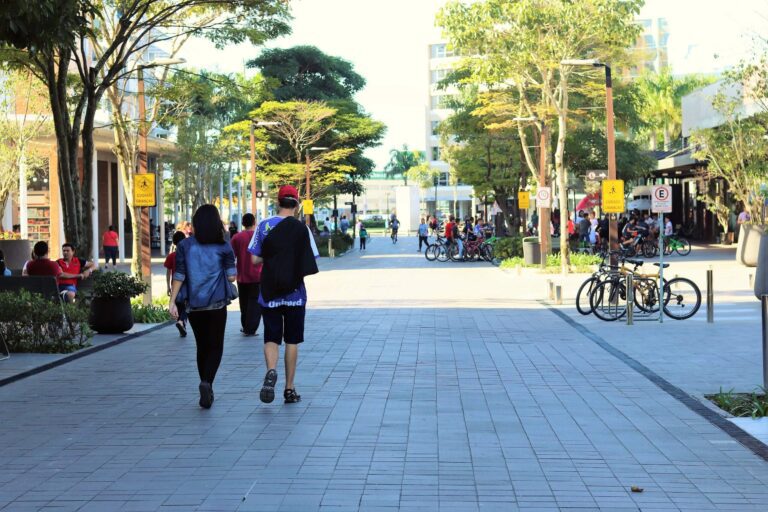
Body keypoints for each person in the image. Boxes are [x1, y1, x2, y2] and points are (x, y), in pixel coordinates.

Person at [248, 185, 319, 405]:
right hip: (295, 292)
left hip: (269, 292)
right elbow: (312, 259)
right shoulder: (302, 229)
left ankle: (271, 370)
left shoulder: (263, 226)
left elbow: (254, 260)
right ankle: (289, 389)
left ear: (278, 203)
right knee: (292, 340)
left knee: (271, 336)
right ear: (297, 204)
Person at [169, 204, 237, 409]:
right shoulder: (224, 246)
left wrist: (172, 301)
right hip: (217, 305)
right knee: (216, 346)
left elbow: (179, 275)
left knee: (202, 346)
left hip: (194, 305)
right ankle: (207, 382)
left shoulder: (185, 246)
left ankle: (204, 383)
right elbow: (232, 276)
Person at [231, 213, 262, 337]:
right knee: (255, 302)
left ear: (243, 223)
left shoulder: (236, 238)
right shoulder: (259, 236)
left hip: (242, 275)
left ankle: (245, 326)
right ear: (254, 222)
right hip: (258, 275)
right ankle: (251, 328)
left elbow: (231, 256)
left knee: (244, 302)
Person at [164, 231, 189, 338]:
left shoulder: (171, 256)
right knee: (187, 306)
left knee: (179, 305)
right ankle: (181, 322)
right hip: (187, 283)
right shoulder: (188, 255)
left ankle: (181, 323)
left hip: (175, 284)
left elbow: (168, 272)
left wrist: (168, 286)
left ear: (174, 242)